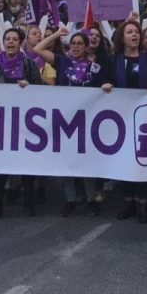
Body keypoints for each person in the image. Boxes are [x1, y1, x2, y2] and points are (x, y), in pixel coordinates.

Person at [34, 27, 106, 215]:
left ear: (86, 47)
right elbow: (38, 50)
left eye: (79, 44)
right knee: (67, 161)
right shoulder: (62, 61)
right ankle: (70, 199)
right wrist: (58, 34)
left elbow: (103, 91)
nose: (75, 47)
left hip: (87, 121)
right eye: (73, 43)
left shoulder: (95, 68)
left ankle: (91, 199)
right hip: (65, 120)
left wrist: (107, 88)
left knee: (86, 161)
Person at [104, 21, 147, 223]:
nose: (134, 35)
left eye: (137, 32)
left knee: (144, 159)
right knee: (124, 159)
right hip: (120, 119)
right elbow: (103, 81)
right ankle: (129, 200)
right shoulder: (113, 60)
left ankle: (143, 200)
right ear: (122, 37)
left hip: (146, 119)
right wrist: (106, 86)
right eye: (130, 32)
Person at [0, 27, 42, 217]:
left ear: (20, 43)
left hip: (24, 122)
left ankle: (29, 204)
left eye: (14, 39)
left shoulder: (28, 64)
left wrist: (29, 87)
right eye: (7, 39)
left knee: (26, 165)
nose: (10, 42)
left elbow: (41, 91)